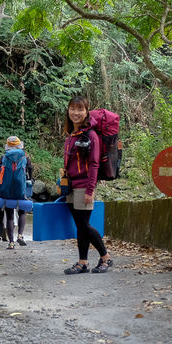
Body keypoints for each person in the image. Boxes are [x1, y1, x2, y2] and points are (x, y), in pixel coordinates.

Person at [61, 96, 113, 274]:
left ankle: (105, 257)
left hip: (84, 186)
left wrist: (90, 190)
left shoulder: (91, 135)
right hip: (71, 186)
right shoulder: (72, 136)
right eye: (72, 109)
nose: (75, 113)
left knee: (84, 226)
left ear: (86, 112)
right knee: (80, 226)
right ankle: (83, 262)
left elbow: (94, 165)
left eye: (80, 109)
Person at [0, 136, 33, 249]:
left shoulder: (3, 158)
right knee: (22, 212)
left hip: (7, 190)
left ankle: (11, 242)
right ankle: (20, 235)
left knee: (9, 215)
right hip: (21, 189)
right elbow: (30, 172)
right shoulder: (25, 157)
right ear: (20, 145)